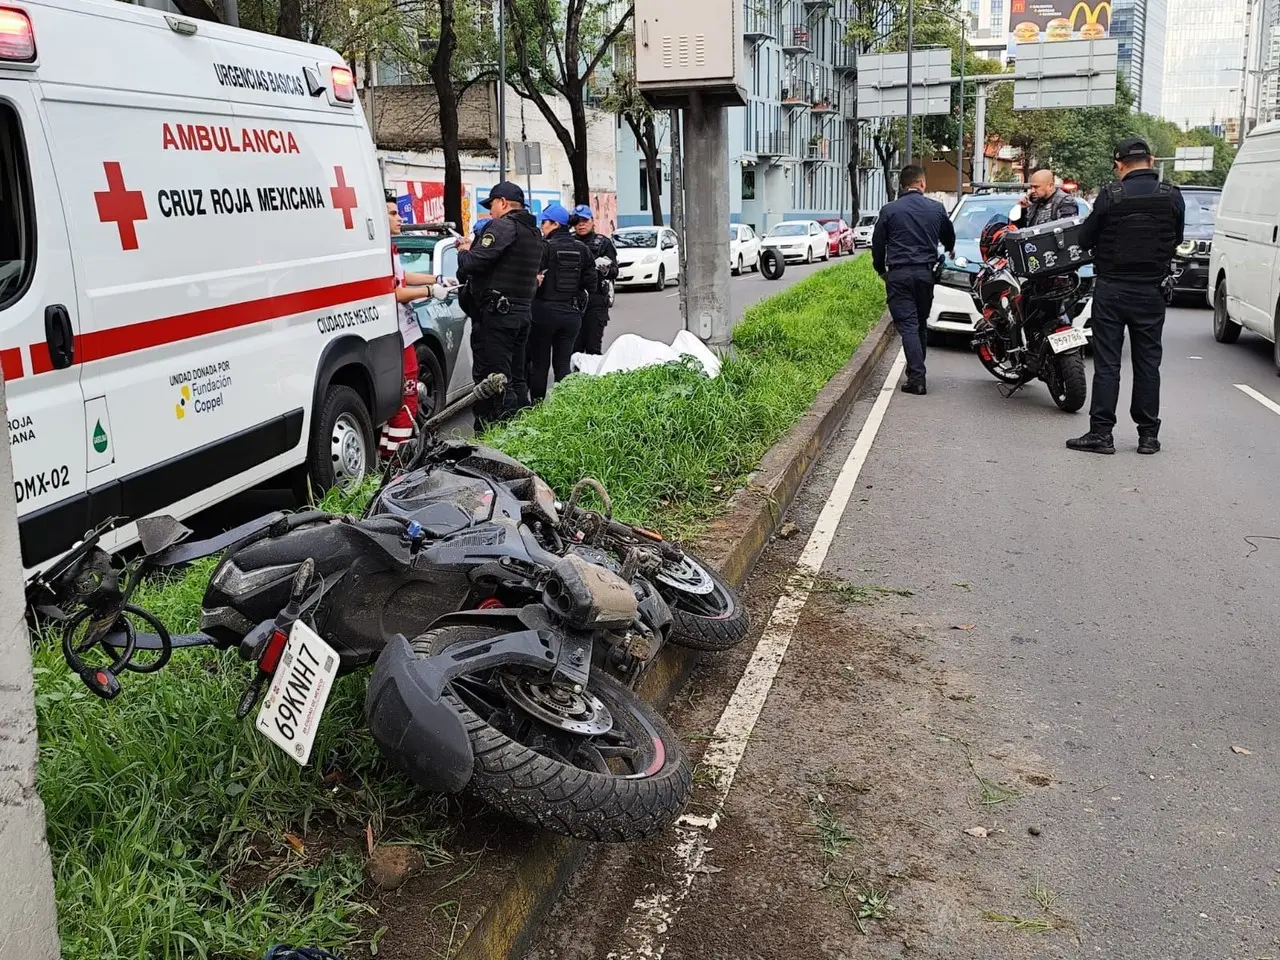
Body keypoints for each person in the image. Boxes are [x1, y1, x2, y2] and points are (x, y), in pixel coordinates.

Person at [1067, 137, 1185, 456]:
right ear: (1152, 159)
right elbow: (1177, 237)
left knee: (1108, 363)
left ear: (1119, 164)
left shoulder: (1111, 195)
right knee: (1148, 363)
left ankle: (1101, 434)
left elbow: (1085, 237)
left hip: (1113, 289)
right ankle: (1148, 436)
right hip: (1152, 291)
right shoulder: (1171, 195)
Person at [456, 182, 545, 429]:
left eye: (492, 205)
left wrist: (464, 250)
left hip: (498, 317)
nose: (490, 212)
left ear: (503, 203)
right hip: (521, 313)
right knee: (516, 377)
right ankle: (520, 431)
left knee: (493, 381)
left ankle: (495, 438)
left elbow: (470, 265)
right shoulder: (533, 232)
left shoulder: (503, 226)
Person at [871, 165, 956, 395]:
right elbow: (949, 236)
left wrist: (881, 269)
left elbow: (878, 243)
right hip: (925, 274)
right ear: (922, 183)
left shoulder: (889, 210)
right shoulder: (936, 208)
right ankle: (915, 371)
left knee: (908, 325)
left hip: (898, 274)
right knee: (919, 323)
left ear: (903, 185)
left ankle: (917, 378)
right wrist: (949, 249)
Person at [382, 190, 438, 459]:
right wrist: (430, 293)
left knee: (404, 397)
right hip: (397, 334)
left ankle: (389, 455)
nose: (399, 218)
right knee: (406, 398)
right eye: (392, 214)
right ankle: (399, 463)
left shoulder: (389, 248)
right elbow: (397, 292)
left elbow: (404, 277)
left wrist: (436, 279)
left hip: (401, 333)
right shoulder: (380, 250)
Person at [528, 203, 597, 403]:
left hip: (542, 313)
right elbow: (591, 284)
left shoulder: (544, 248)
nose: (542, 226)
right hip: (571, 314)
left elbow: (531, 278)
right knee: (562, 364)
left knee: (540, 365)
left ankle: (537, 409)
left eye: (545, 222)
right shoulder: (582, 249)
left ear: (555, 224)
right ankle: (563, 407)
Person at [570, 205, 618, 355]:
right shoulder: (568, 242)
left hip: (595, 299)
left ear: (592, 221)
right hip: (572, 299)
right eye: (577, 221)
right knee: (574, 349)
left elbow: (615, 271)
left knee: (592, 347)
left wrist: (604, 268)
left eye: (584, 220)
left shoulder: (603, 243)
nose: (581, 224)